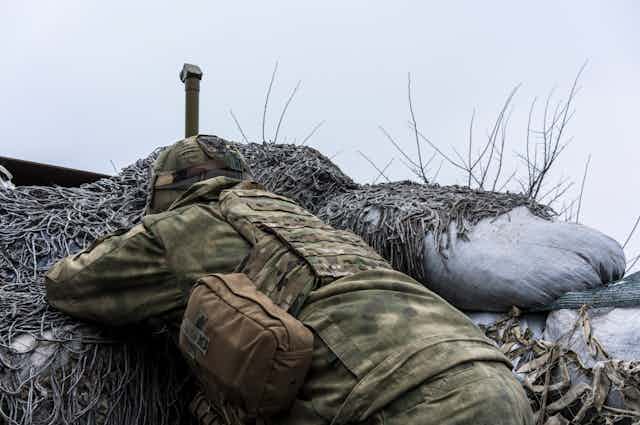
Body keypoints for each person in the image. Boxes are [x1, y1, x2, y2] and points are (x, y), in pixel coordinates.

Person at [45, 135, 533, 425]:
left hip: (403, 404)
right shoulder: (298, 217)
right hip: (497, 379)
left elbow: (71, 285)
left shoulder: (181, 227)